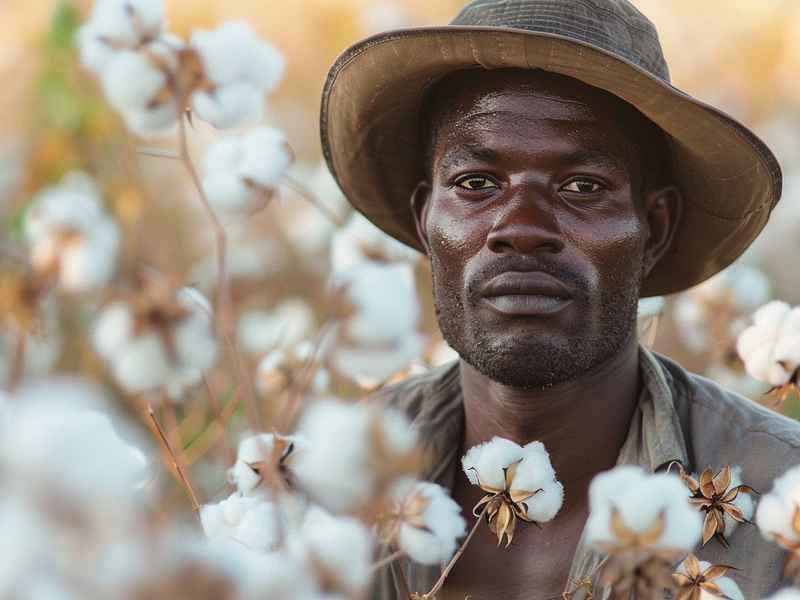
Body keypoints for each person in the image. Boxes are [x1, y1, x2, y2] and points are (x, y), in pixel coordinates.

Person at [319, 0, 797, 598]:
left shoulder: (783, 497)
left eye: (581, 186)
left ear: (654, 228)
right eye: (476, 184)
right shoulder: (318, 490)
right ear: (425, 220)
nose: (521, 227)